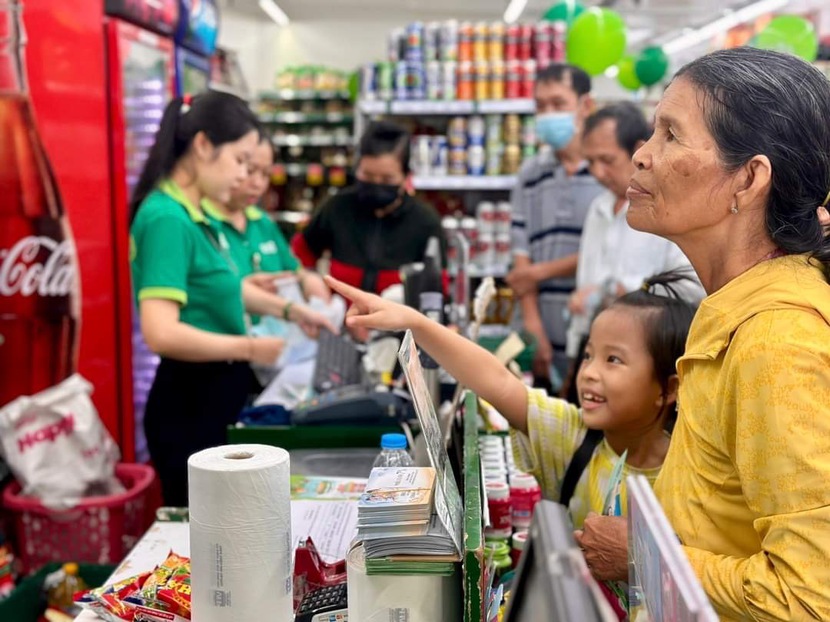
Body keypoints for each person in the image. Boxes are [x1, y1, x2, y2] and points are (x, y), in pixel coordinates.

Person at [575, 48, 830, 621]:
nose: (641, 156)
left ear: (750, 178)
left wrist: (643, 555)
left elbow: (811, 598)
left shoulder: (776, 343)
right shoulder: (734, 307)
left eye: (670, 135)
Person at [324, 272, 695, 529]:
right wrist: (417, 324)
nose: (590, 373)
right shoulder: (573, 438)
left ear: (669, 387)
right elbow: (498, 382)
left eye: (613, 360)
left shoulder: (694, 474)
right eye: (588, 355)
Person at [129, 92, 330, 506]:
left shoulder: (195, 214)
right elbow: (161, 332)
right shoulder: (167, 217)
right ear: (203, 146)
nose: (243, 177)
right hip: (190, 403)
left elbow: (224, 287)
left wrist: (291, 310)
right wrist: (252, 347)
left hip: (217, 391)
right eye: (240, 161)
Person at [565, 103, 703, 381]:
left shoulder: (670, 208)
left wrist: (629, 293)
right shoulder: (599, 208)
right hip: (598, 350)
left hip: (649, 361)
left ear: (639, 150)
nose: (597, 173)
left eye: (607, 160)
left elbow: (692, 286)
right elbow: (587, 277)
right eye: (590, 162)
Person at [506, 63, 606, 388]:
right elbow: (521, 251)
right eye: (540, 105)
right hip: (539, 327)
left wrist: (538, 273)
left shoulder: (608, 173)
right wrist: (532, 324)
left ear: (585, 105)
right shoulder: (531, 173)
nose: (548, 114)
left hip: (594, 327)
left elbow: (607, 253)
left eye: (558, 104)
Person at [291, 120, 444, 295]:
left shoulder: (424, 221)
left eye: (387, 179)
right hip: (338, 319)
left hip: (397, 321)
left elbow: (438, 287)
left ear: (406, 177)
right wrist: (308, 280)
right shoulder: (337, 207)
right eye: (368, 176)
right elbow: (300, 253)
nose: (376, 185)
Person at [204, 132, 331, 326]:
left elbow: (294, 271)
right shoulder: (200, 224)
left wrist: (308, 282)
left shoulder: (262, 222)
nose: (258, 184)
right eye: (249, 170)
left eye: (266, 174)